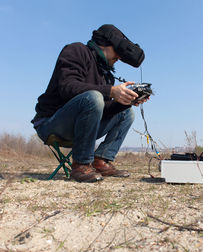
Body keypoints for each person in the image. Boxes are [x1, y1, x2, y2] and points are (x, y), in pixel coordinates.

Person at [31, 24, 148, 183]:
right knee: (93, 97)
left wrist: (126, 101)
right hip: (51, 123)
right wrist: (111, 91)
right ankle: (81, 165)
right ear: (104, 45)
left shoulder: (106, 74)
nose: (119, 58)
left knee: (126, 113)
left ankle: (101, 161)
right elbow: (67, 87)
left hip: (80, 126)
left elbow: (101, 111)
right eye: (117, 52)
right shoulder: (76, 50)